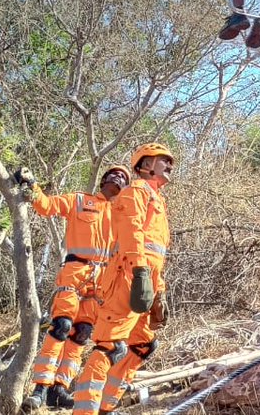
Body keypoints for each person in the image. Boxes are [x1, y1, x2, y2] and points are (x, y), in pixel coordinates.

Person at [72, 144, 174, 415]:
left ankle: (105, 407)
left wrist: (158, 291)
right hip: (126, 278)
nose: (170, 165)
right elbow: (132, 234)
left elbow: (156, 254)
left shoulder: (158, 200)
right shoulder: (135, 192)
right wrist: (141, 274)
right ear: (145, 165)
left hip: (146, 280)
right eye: (164, 160)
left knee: (142, 345)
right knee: (109, 346)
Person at [20, 165, 128, 411]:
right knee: (62, 326)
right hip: (75, 271)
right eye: (114, 174)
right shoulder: (80, 201)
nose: (118, 178)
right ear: (103, 180)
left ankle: (59, 389)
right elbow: (46, 206)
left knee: (81, 333)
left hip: (101, 281)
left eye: (123, 177)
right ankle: (40, 388)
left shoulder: (123, 216)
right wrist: (31, 184)